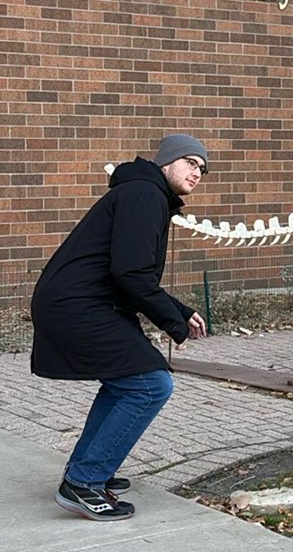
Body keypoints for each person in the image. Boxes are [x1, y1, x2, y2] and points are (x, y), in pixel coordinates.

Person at [31, 134, 208, 522]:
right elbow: (131, 272)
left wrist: (179, 311)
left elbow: (130, 272)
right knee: (150, 385)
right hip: (78, 305)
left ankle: (89, 468)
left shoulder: (143, 193)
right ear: (167, 162)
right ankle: (84, 481)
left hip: (79, 301)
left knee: (125, 383)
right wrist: (172, 322)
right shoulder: (145, 195)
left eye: (202, 168)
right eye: (190, 162)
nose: (197, 172)